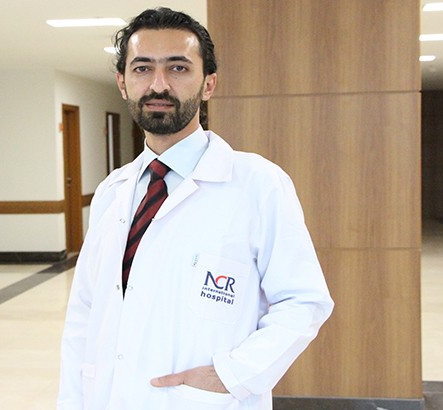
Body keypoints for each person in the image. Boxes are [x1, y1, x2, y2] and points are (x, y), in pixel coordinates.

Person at [58, 7, 333, 409]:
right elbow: (85, 314)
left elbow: (304, 301)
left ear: (208, 84)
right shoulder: (112, 192)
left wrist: (233, 374)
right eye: (142, 68)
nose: (159, 84)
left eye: (178, 68)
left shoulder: (258, 184)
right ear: (122, 83)